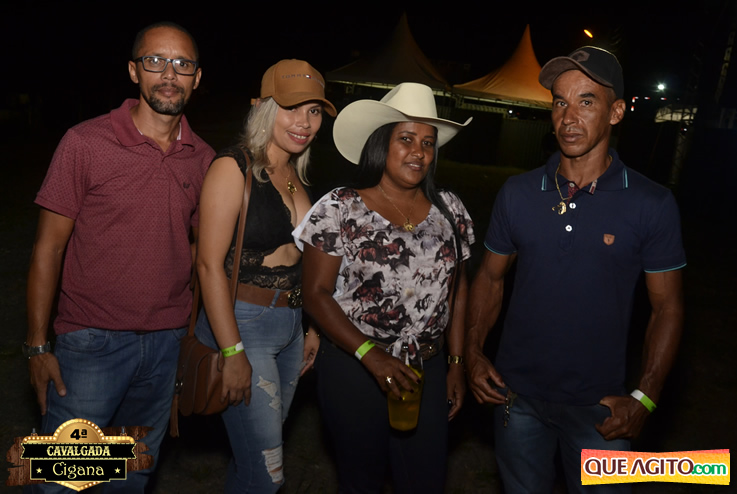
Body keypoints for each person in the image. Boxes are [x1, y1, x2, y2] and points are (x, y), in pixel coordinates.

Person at [464, 46, 686, 493]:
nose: (568, 117)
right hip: (516, 398)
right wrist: (472, 351)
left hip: (602, 408)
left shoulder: (652, 203)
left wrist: (645, 397)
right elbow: (489, 278)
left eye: (586, 101)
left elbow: (668, 308)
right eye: (560, 102)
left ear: (616, 112)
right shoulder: (518, 193)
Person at [24, 21, 214, 492]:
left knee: (130, 476)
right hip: (91, 343)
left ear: (196, 77)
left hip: (166, 345)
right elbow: (48, 248)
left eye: (181, 64)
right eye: (155, 61)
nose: (168, 74)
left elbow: (201, 248)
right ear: (134, 71)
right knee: (65, 482)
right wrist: (37, 346)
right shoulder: (85, 142)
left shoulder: (203, 158)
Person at [296, 82, 475, 494]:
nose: (419, 152)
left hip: (425, 367)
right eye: (406, 139)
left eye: (428, 143)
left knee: (425, 480)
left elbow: (457, 291)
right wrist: (369, 355)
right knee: (362, 481)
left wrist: (456, 362)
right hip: (354, 366)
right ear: (381, 143)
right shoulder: (340, 207)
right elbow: (316, 294)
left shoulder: (450, 209)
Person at [193, 59, 336, 493]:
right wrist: (232, 350)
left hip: (290, 327)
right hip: (244, 324)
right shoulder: (232, 167)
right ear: (263, 107)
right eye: (291, 108)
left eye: (314, 111)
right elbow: (207, 264)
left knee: (252, 461)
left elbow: (304, 262)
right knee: (268, 472)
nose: (304, 122)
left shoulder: (295, 175)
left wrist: (311, 328)